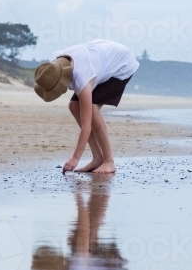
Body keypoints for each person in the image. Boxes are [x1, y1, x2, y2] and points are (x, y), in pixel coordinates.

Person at [33, 39, 139, 174]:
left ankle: (109, 161)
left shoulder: (82, 77)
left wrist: (75, 158)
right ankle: (97, 158)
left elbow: (86, 126)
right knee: (74, 106)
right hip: (99, 59)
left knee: (92, 110)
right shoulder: (53, 66)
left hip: (121, 64)